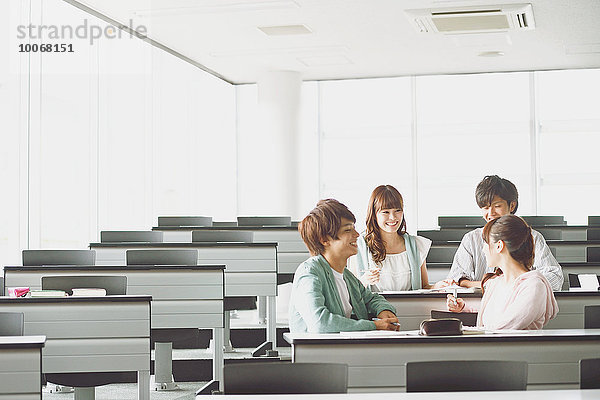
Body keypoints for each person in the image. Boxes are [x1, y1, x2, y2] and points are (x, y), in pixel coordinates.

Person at [289, 198, 400, 333]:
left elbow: (371, 298)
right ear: (324, 240)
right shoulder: (309, 273)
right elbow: (320, 323)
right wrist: (374, 326)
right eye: (348, 230)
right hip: (320, 352)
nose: (357, 234)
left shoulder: (346, 276)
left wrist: (384, 310)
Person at [447, 175, 563, 290]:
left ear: (512, 205)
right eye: (485, 208)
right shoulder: (471, 239)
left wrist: (512, 285)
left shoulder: (532, 237)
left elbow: (555, 278)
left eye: (497, 206)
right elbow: (456, 280)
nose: (491, 213)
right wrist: (494, 285)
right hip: (479, 303)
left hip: (520, 299)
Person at [447, 214, 558, 330]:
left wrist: (461, 330)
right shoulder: (496, 282)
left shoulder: (534, 286)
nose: (483, 249)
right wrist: (463, 307)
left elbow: (503, 327)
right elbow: (495, 312)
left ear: (499, 246)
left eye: (485, 243)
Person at [349, 185, 452, 291]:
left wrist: (437, 287)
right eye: (386, 212)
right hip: (373, 307)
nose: (393, 217)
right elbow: (351, 290)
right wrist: (365, 281)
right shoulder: (359, 246)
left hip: (410, 307)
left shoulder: (416, 245)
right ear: (374, 214)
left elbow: (424, 287)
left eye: (397, 211)